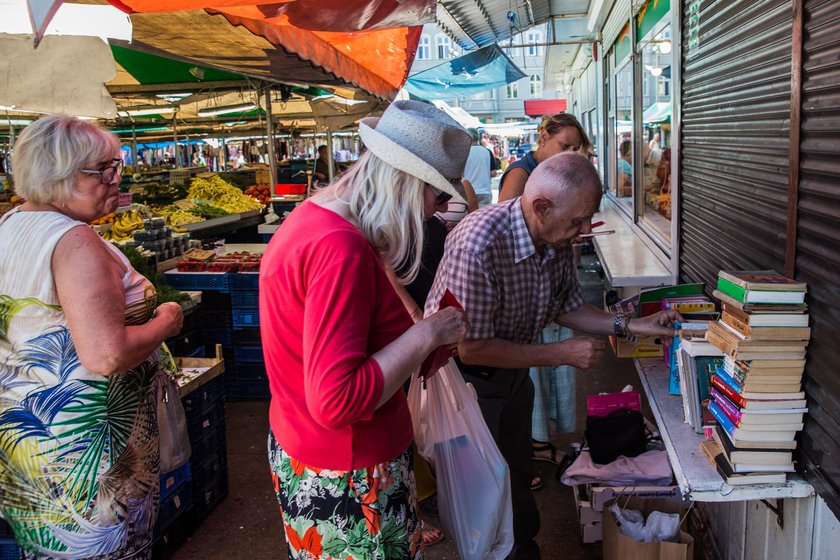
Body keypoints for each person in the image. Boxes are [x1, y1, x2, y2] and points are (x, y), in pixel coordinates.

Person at [425, 152, 681, 560]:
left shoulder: (554, 235)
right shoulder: (479, 242)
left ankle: (523, 550)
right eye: (578, 220)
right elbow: (471, 348)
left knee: (517, 474)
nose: (584, 230)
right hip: (467, 383)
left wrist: (632, 326)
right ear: (541, 206)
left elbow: (568, 307)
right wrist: (558, 353)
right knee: (484, 491)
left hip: (510, 374)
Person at [260, 100, 470, 560]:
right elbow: (337, 401)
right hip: (350, 475)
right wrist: (427, 335)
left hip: (312, 455)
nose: (435, 212)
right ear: (408, 183)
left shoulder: (315, 219)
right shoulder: (340, 248)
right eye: (437, 197)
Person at [0, 114, 184, 559]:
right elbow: (106, 355)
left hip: (31, 438)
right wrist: (166, 320)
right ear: (59, 175)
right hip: (88, 452)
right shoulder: (74, 241)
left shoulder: (10, 225)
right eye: (104, 170)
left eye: (116, 167)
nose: (115, 180)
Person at [498, 113, 593, 201]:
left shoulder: (555, 171)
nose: (570, 154)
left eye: (575, 149)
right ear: (544, 136)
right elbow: (503, 217)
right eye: (565, 146)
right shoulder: (519, 173)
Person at [463, 129, 494, 208]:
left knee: (470, 219)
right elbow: (494, 173)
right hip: (485, 191)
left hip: (468, 192)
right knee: (484, 219)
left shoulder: (463, 152)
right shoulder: (487, 151)